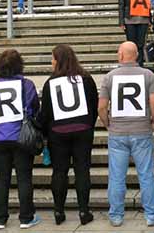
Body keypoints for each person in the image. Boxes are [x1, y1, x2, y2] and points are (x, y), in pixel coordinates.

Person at [97, 42, 154, 227]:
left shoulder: (109, 77)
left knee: (116, 176)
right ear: (136, 55)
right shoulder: (147, 75)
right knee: (146, 175)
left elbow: (102, 106)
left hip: (118, 132)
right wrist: (153, 121)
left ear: (120, 55)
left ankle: (116, 215)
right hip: (142, 130)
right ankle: (152, 215)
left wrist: (107, 124)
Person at [0, 49, 41, 230]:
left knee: (2, 178)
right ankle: (26, 217)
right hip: (21, 136)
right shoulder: (26, 84)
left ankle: (0, 219)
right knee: (24, 177)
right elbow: (34, 108)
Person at [37, 45, 97, 226]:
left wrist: (46, 132)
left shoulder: (50, 82)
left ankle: (58, 211)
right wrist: (88, 125)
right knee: (82, 170)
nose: (51, 62)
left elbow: (45, 113)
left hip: (58, 133)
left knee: (59, 172)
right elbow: (93, 105)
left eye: (53, 58)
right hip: (83, 130)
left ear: (59, 60)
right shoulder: (86, 79)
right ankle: (84, 210)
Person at [118, 0, 152, 67]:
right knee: (131, 45)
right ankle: (131, 64)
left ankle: (140, 65)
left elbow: (148, 4)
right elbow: (121, 5)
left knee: (141, 44)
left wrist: (149, 19)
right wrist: (121, 21)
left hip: (143, 19)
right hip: (129, 20)